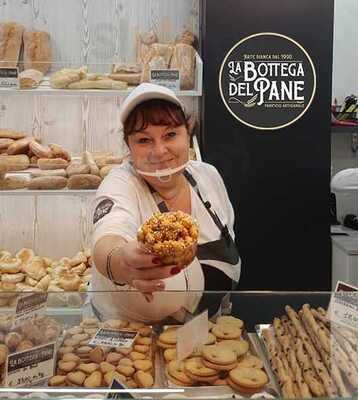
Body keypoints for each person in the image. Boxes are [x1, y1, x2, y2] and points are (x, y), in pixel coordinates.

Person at [91, 83, 240, 322]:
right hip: (133, 338)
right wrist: (121, 263)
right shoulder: (120, 184)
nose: (159, 151)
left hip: (208, 332)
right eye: (143, 140)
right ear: (128, 146)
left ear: (187, 134)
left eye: (170, 134)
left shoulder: (207, 177)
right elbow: (108, 238)